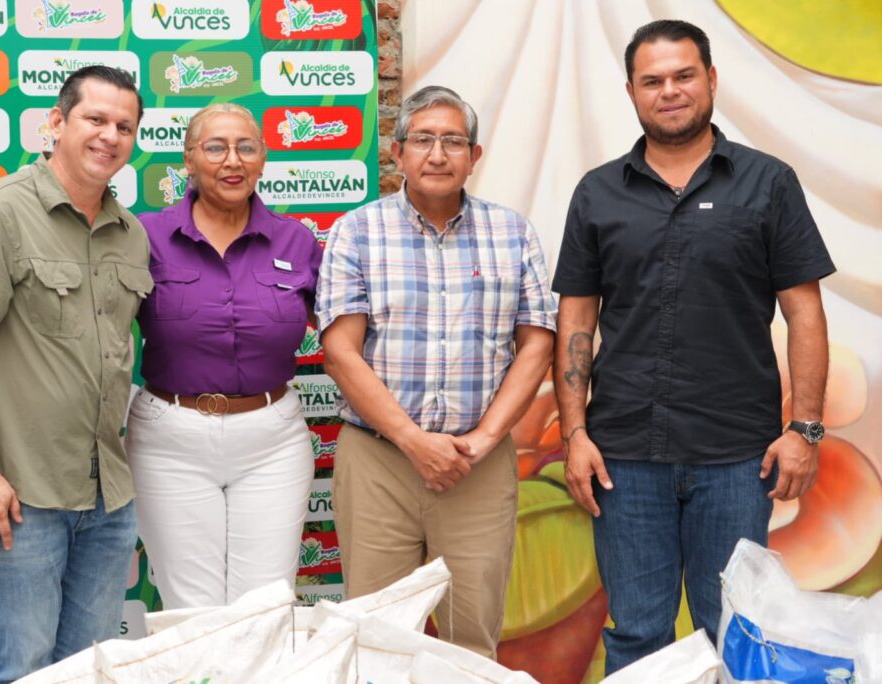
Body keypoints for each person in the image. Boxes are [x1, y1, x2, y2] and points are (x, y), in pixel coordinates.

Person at [552, 20, 835, 674]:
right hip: (622, 456)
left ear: (711, 79)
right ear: (631, 92)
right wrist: (574, 433)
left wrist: (805, 429)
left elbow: (804, 312)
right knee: (637, 633)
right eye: (652, 80)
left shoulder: (768, 183)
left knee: (735, 630)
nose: (670, 90)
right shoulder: (597, 192)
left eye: (684, 75)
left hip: (736, 458)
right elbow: (576, 319)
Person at [316, 86, 557, 658]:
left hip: (478, 464)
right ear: (397, 153)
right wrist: (412, 440)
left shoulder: (513, 232)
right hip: (379, 461)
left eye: (453, 141)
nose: (438, 154)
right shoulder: (357, 231)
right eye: (423, 140)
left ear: (475, 156)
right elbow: (341, 351)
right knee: (374, 637)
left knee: (471, 642)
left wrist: (484, 439)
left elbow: (537, 344)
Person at [0, 66, 152, 682]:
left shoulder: (131, 235)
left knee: (87, 669)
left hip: (106, 495)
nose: (110, 136)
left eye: (124, 127)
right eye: (95, 119)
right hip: (17, 494)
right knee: (22, 669)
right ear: (56, 123)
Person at [126, 103, 321, 608]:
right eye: (215, 148)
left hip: (272, 442)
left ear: (263, 159)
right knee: (194, 612)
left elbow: (345, 335)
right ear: (189, 159)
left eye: (246, 147)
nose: (232, 160)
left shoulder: (296, 241)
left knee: (265, 607)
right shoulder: (145, 237)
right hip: (170, 441)